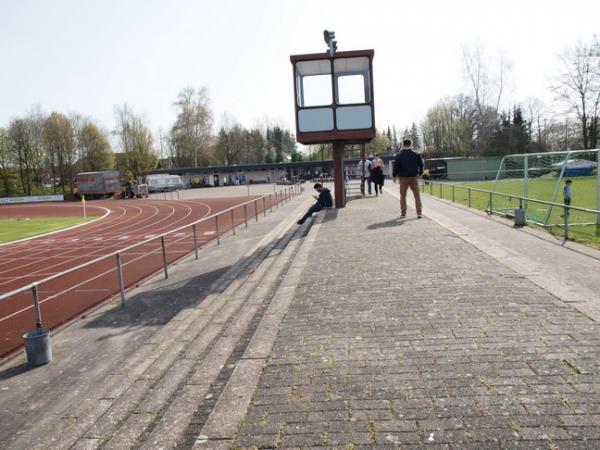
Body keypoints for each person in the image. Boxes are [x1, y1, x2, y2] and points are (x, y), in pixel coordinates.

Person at [392, 138, 424, 219]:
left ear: (403, 145)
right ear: (411, 144)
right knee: (417, 195)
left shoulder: (399, 155)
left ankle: (403, 213)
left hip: (403, 178)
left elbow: (396, 166)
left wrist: (394, 175)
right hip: (414, 177)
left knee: (403, 196)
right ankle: (419, 213)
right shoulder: (416, 154)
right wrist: (420, 173)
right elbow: (421, 165)